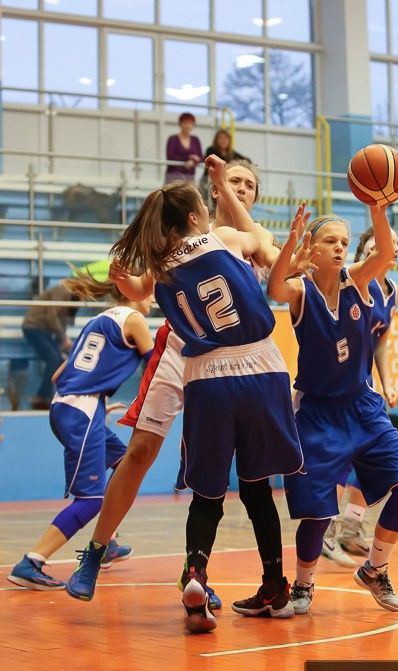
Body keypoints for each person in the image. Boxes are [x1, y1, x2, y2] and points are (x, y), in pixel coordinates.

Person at [66, 155, 310, 635]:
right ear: (211, 194)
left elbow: (268, 265)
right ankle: (95, 551)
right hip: (192, 350)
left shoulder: (208, 245)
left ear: (254, 195)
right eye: (232, 180)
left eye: (249, 184)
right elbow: (142, 287)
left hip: (217, 362)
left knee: (216, 485)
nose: (240, 188)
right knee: (142, 451)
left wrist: (121, 277)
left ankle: (195, 572)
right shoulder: (226, 238)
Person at [267, 204, 398, 616]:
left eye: (343, 241)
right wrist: (290, 247)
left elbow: (385, 252)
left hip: (363, 406)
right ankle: (304, 584)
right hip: (317, 412)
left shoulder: (359, 279)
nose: (339, 247)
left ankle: (375, 568)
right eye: (330, 241)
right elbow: (274, 291)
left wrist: (377, 207)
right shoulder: (301, 290)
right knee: (317, 513)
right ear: (313, 249)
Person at [8, 273, 154, 591]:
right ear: (132, 290)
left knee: (125, 463)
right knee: (90, 499)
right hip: (82, 411)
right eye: (150, 291)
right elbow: (155, 367)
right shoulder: (134, 320)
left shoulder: (98, 321)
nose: (154, 298)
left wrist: (97, 398)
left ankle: (107, 542)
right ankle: (32, 561)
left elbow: (59, 375)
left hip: (71, 406)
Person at [322, 226, 398, 565]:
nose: (390, 245)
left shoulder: (393, 291)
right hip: (337, 380)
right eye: (383, 240)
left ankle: (351, 527)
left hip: (364, 384)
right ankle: (326, 530)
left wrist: (387, 382)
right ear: (365, 248)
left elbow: (381, 342)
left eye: (396, 242)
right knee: (343, 456)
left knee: (372, 459)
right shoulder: (351, 282)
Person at [22, 282, 79, 410]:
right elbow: (51, 315)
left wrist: (62, 341)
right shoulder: (62, 290)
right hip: (33, 327)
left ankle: (54, 397)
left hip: (45, 331)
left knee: (60, 358)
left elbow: (64, 320)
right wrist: (63, 338)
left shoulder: (76, 298)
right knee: (54, 358)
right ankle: (41, 398)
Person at [199, 129, 249, 201]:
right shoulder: (211, 150)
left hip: (223, 180)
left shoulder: (231, 153)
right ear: (216, 140)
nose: (223, 140)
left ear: (229, 141)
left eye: (226, 138)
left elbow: (247, 160)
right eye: (221, 138)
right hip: (208, 179)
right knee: (206, 198)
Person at [165, 112, 203, 184]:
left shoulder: (195, 140)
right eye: (185, 122)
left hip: (190, 176)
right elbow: (170, 157)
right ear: (180, 124)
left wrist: (194, 161)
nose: (187, 125)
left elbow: (201, 157)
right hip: (173, 176)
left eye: (190, 123)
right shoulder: (172, 139)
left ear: (193, 125)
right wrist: (190, 158)